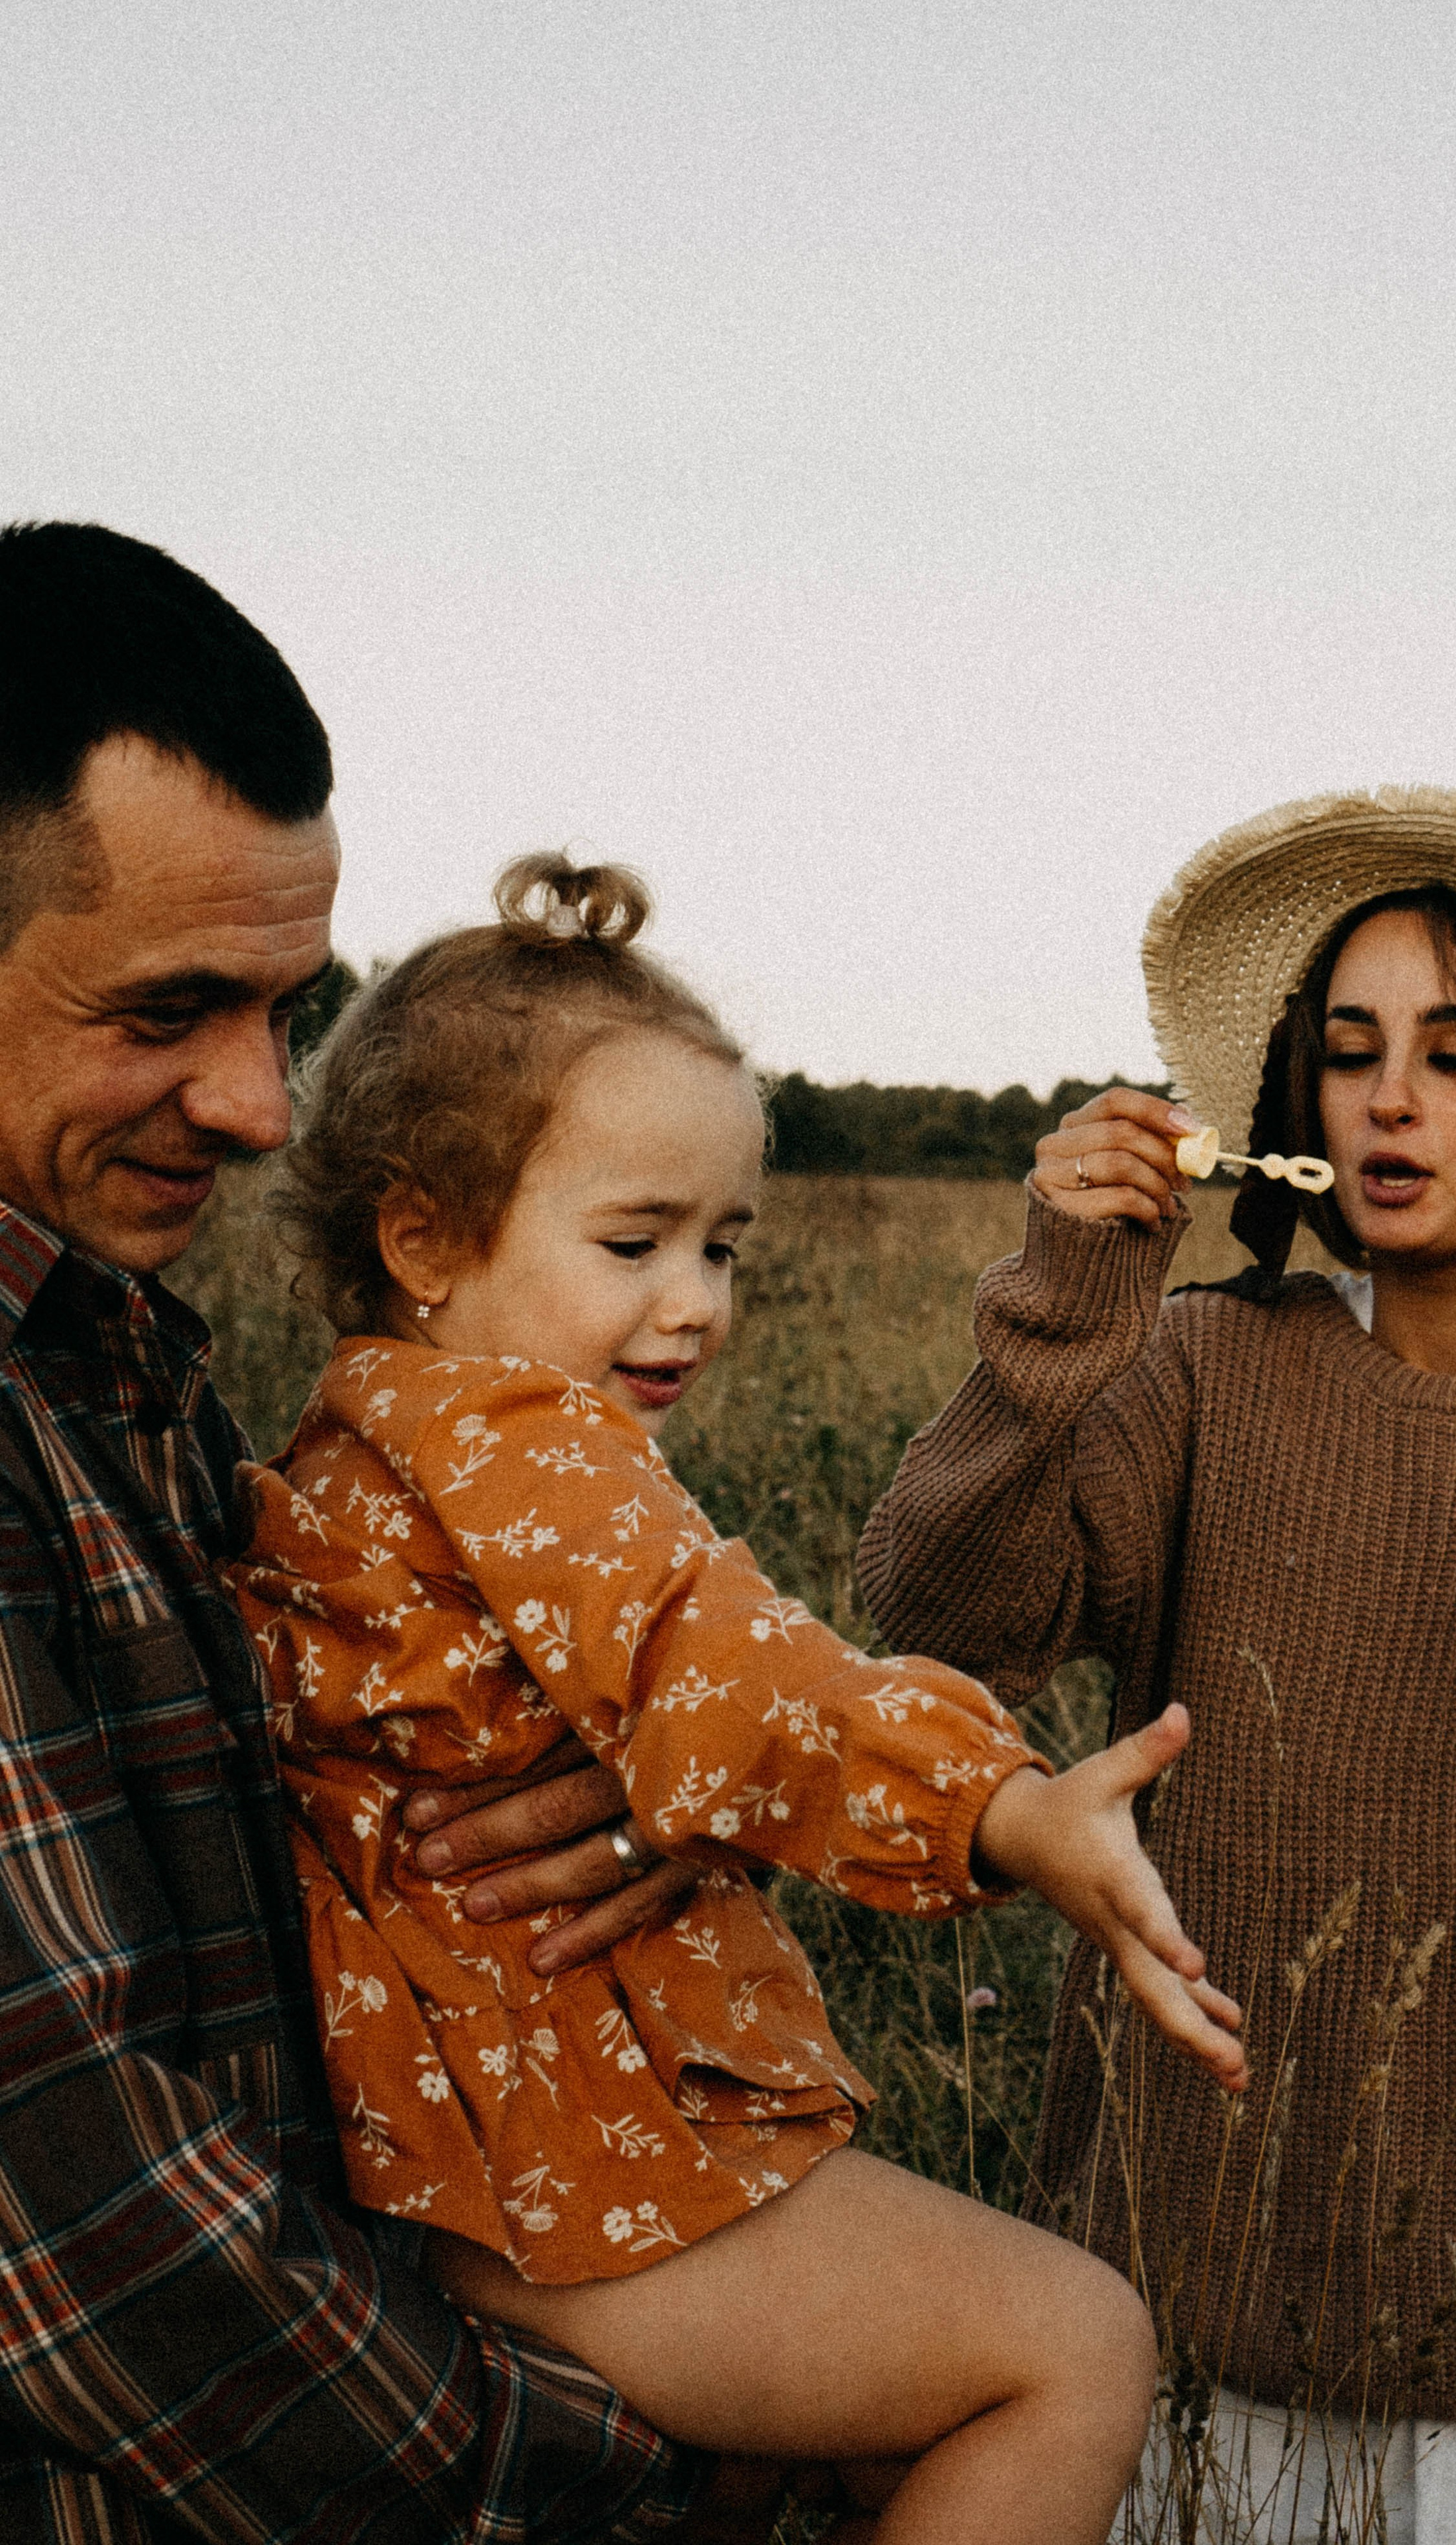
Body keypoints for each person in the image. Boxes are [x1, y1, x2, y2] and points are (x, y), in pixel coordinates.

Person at [225, 852, 1250, 2545]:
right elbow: (730, 1678)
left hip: (470, 2150)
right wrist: (998, 1811)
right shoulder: (523, 1443)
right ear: (420, 1234)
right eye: (634, 1241)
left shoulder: (360, 1439)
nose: (695, 1302)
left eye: (722, 1244)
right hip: (576, 2170)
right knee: (1071, 2346)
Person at [0, 518, 748, 2542]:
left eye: (285, 1005)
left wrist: (574, 1777)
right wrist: (671, 2475)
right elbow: (88, 2226)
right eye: (165, 1011)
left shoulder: (121, 1356)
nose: (259, 1105)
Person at [858, 787, 1456, 2543]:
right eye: (1348, 1049)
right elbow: (941, 1619)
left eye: (1455, 1056)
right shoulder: (1203, 1369)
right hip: (1205, 2319)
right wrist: (1063, 1306)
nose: (1387, 1099)